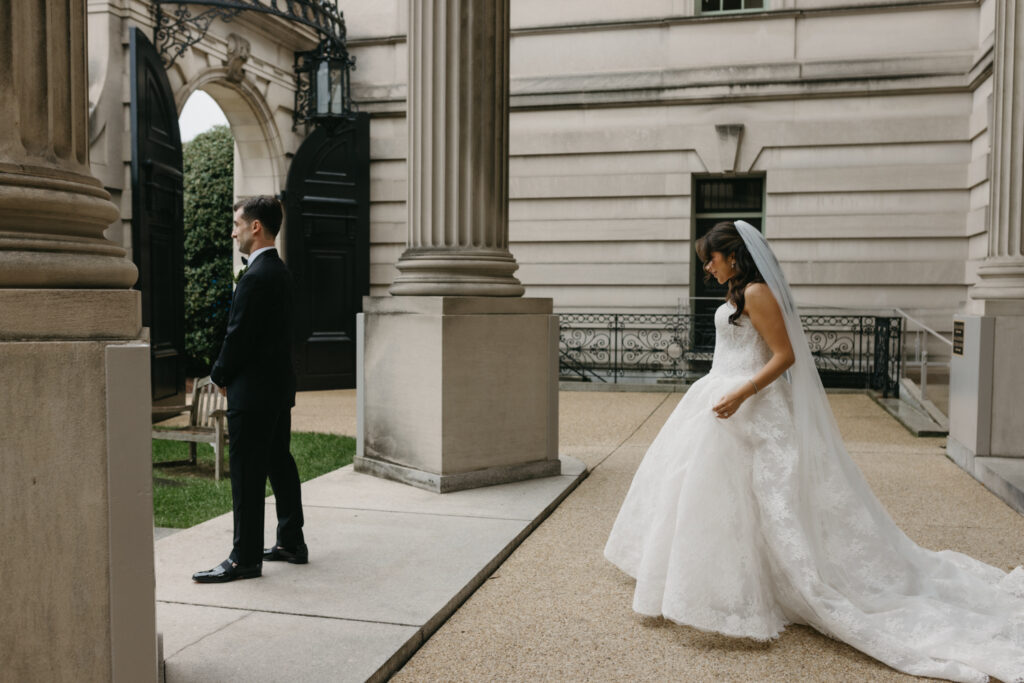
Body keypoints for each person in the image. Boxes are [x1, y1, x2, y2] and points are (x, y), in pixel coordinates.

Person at [604, 220, 1024, 682]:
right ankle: (712, 582)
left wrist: (741, 393)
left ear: (734, 256)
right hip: (719, 396)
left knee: (763, 497)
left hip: (749, 402)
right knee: (709, 493)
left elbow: (785, 355)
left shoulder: (759, 294)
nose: (707, 266)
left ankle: (767, 585)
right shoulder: (737, 294)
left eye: (712, 257)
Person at [192, 195, 308, 583]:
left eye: (237, 224)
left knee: (246, 473)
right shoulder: (282, 272)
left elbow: (238, 336)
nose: (233, 231)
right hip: (276, 389)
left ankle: (244, 559)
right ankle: (291, 541)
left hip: (254, 393)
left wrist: (220, 374)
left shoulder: (257, 276)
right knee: (279, 461)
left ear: (255, 227)